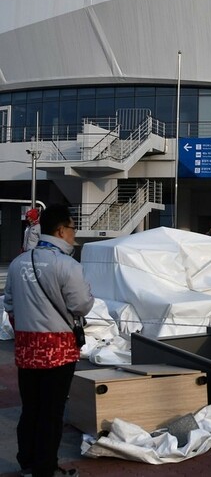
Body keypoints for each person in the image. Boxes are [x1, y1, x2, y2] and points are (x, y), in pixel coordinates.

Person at [3, 204, 94, 477]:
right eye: (72, 229)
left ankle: (28, 463)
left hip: (27, 348)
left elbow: (9, 306)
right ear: (61, 230)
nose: (73, 235)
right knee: (52, 412)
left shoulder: (19, 263)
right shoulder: (68, 265)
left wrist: (26, 330)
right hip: (59, 349)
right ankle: (46, 469)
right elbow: (81, 306)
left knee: (31, 408)